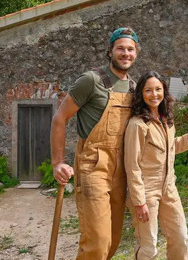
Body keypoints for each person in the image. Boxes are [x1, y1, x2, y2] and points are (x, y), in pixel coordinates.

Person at [50, 27, 140, 260]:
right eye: (120, 48)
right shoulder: (91, 81)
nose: (126, 53)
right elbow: (60, 119)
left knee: (113, 240)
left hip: (121, 169)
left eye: (130, 49)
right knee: (97, 243)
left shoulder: (133, 87)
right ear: (110, 51)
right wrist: (58, 162)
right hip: (93, 165)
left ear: (136, 53)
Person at [123, 71, 188, 260]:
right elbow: (132, 166)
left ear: (164, 91)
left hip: (169, 187)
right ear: (141, 94)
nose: (154, 94)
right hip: (146, 191)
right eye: (148, 90)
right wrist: (139, 201)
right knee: (148, 247)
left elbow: (170, 148)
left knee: (181, 238)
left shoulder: (165, 120)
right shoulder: (137, 125)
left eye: (158, 89)